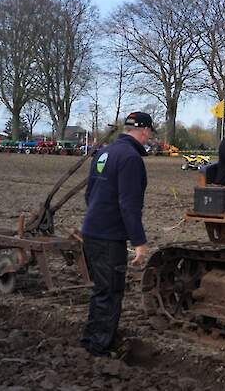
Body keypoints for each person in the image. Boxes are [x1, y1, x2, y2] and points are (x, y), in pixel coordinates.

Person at [80, 112, 154, 357]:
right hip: (109, 237)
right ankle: (99, 348)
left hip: (91, 231)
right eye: (149, 133)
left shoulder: (104, 152)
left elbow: (89, 194)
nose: (149, 137)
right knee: (111, 292)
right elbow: (128, 204)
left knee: (102, 290)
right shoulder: (131, 158)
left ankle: (91, 340)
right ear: (144, 131)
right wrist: (139, 242)